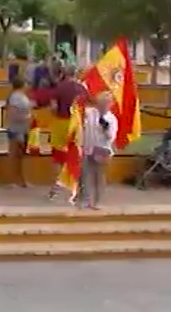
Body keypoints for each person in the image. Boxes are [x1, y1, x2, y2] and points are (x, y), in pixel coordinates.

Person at [47, 66, 87, 199]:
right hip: (76, 126)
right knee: (75, 155)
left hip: (60, 124)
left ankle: (55, 190)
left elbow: (53, 107)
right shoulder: (82, 89)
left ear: (64, 74)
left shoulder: (59, 87)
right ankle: (75, 190)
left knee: (58, 158)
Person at [79, 91, 118, 209]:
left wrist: (105, 128)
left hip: (102, 149)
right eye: (101, 103)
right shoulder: (90, 113)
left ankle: (98, 201)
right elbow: (80, 115)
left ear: (111, 104)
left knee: (99, 177)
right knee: (85, 175)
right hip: (88, 147)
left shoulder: (111, 119)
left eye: (106, 103)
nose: (103, 106)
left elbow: (111, 136)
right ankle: (85, 200)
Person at [4, 77, 33, 187]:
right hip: (16, 129)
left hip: (23, 128)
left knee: (20, 156)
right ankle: (12, 180)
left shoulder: (22, 96)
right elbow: (12, 112)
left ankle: (21, 179)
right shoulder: (15, 97)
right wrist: (25, 118)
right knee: (14, 155)